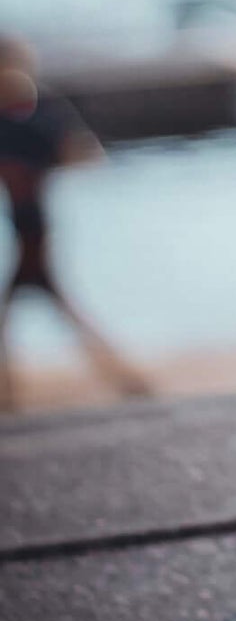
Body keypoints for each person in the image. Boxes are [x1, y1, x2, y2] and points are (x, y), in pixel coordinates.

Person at [0, 36, 149, 409]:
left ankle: (124, 377)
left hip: (34, 232)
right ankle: (124, 377)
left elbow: (83, 152)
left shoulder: (38, 113)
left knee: (52, 308)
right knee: (57, 309)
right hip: (29, 227)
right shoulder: (25, 116)